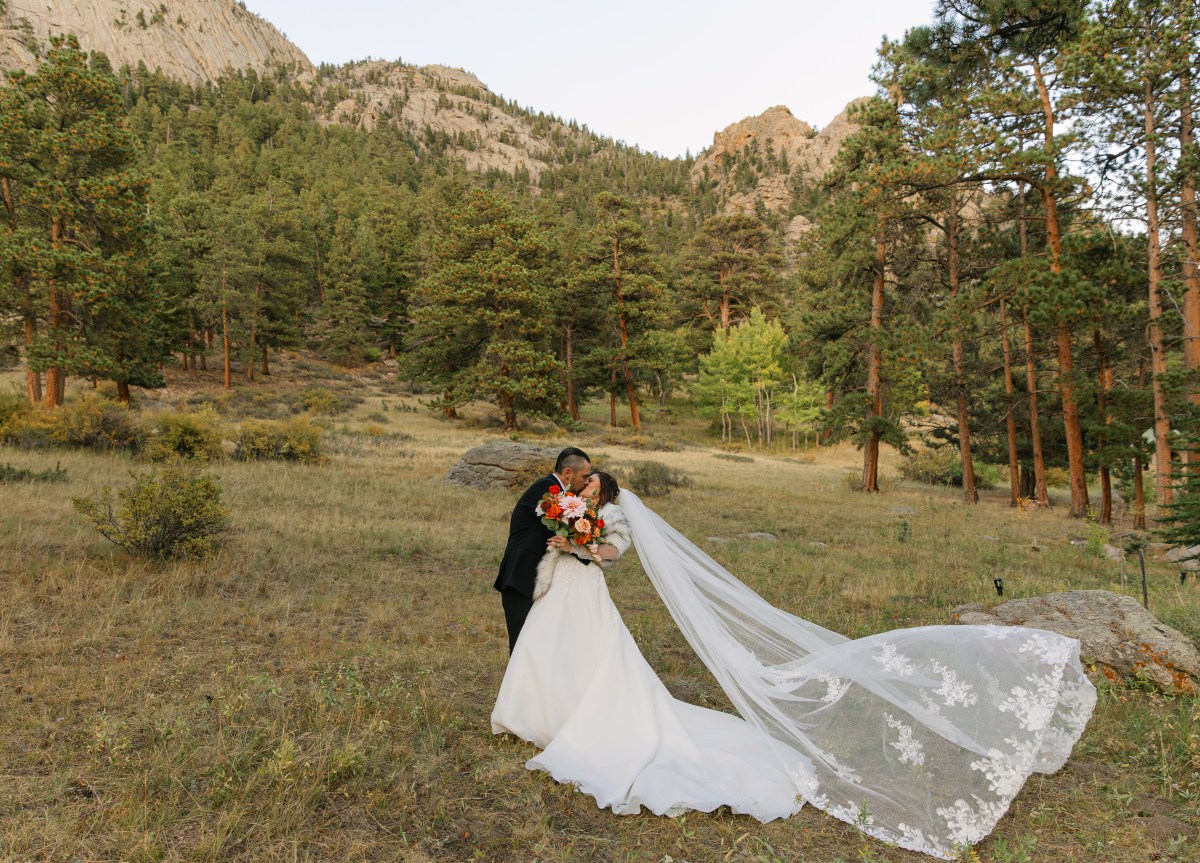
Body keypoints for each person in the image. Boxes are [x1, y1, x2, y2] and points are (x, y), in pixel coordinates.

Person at [492, 476, 1097, 860]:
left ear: (607, 492)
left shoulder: (613, 516)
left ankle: (590, 718)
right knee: (554, 653)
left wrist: (583, 543)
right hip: (563, 595)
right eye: (583, 487)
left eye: (595, 488)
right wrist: (565, 540)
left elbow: (613, 553)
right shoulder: (561, 504)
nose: (588, 494)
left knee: (604, 662)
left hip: (589, 589)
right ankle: (544, 710)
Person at [494, 447, 591, 653]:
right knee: (523, 644)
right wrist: (590, 550)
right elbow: (564, 530)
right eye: (584, 476)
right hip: (521, 577)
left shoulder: (558, 492)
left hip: (535, 578)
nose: (586, 482)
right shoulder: (546, 490)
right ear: (568, 473)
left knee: (536, 644)